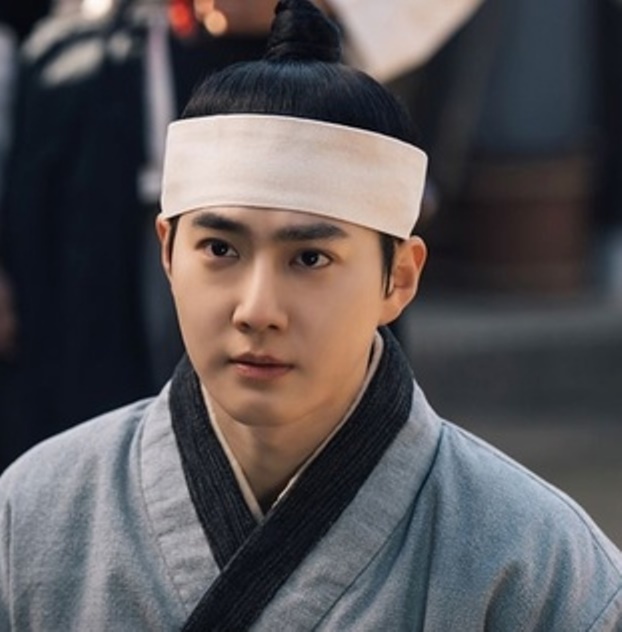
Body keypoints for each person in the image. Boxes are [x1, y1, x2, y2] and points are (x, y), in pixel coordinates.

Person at [1, 1, 620, 629]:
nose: (257, 310)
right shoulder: (35, 517)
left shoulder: (537, 568)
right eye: (220, 249)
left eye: (310, 258)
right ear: (168, 251)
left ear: (400, 277)